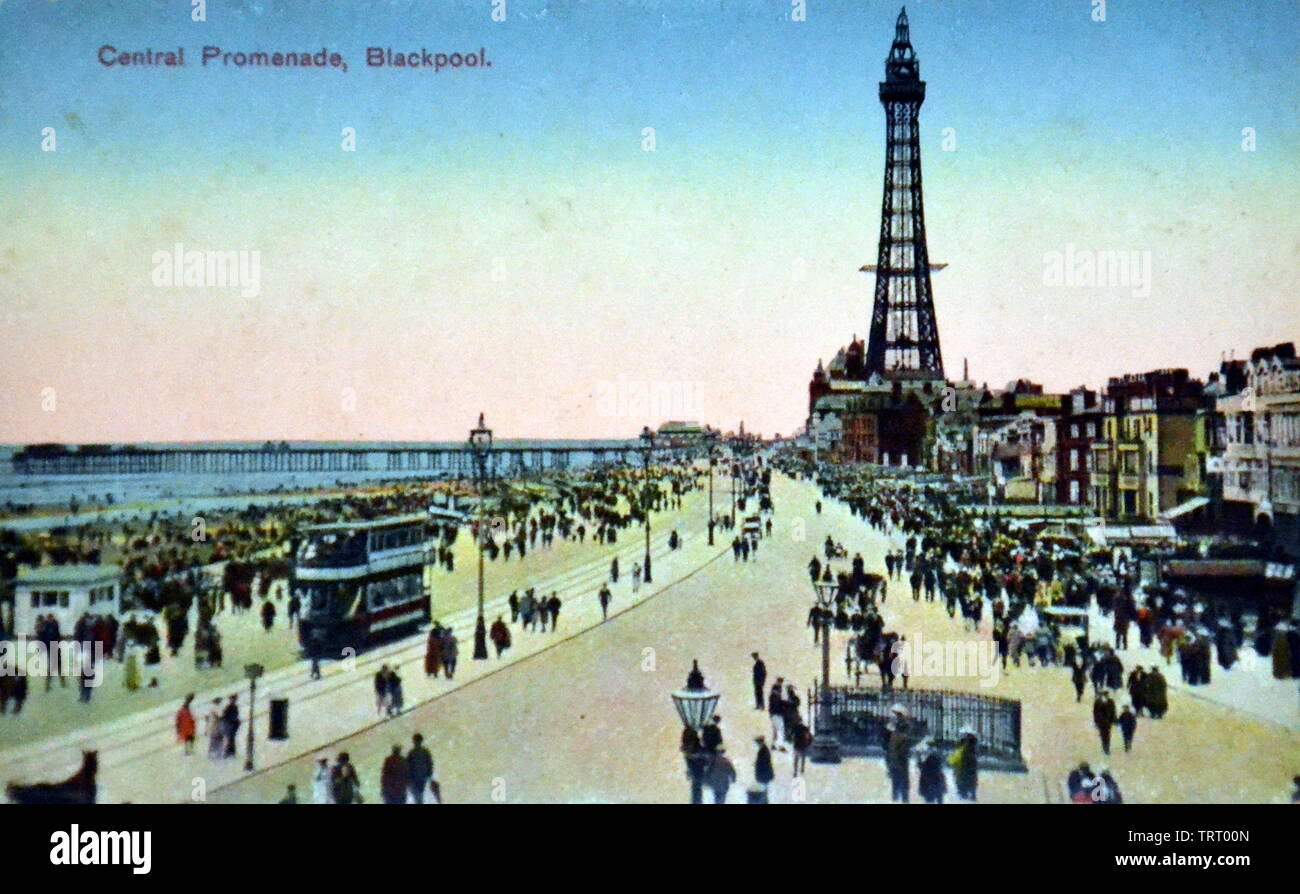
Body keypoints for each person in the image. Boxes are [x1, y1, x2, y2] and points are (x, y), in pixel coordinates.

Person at [885, 705, 911, 803]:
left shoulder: (900, 728)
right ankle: (899, 799)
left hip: (900, 758)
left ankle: (902, 799)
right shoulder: (894, 728)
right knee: (899, 782)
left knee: (900, 782)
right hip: (897, 758)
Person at [949, 730, 979, 801]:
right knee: (971, 788)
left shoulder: (961, 751)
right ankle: (972, 796)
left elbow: (951, 761)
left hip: (961, 774)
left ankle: (965, 796)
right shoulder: (973, 751)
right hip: (971, 774)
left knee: (963, 794)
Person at [407, 734, 434, 804]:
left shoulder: (412, 753)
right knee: (419, 794)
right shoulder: (425, 752)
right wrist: (430, 776)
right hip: (421, 777)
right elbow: (430, 764)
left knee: (417, 795)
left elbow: (407, 766)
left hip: (416, 778)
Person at [917, 740, 946, 804]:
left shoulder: (925, 753)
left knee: (929, 797)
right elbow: (941, 763)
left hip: (927, 777)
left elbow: (921, 765)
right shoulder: (938, 753)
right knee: (938, 794)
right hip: (937, 777)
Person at [1093, 690, 1116, 755]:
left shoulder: (1110, 702)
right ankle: (1105, 747)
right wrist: (1096, 721)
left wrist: (1113, 720)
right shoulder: (1097, 702)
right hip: (1101, 722)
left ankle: (1107, 747)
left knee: (1107, 735)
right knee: (1103, 735)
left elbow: (1113, 711)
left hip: (1108, 722)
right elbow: (1095, 713)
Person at [768, 679, 786, 746]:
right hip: (777, 714)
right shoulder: (776, 697)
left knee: (775, 729)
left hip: (774, 714)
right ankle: (780, 745)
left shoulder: (773, 696)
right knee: (780, 729)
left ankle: (774, 744)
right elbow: (778, 705)